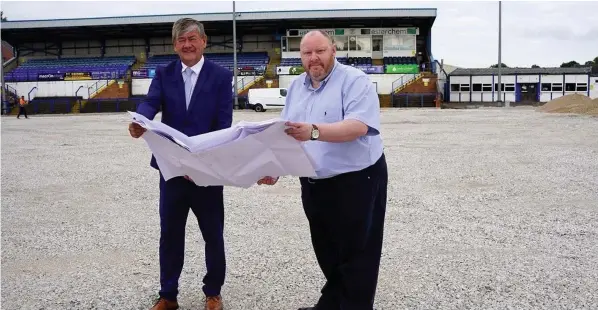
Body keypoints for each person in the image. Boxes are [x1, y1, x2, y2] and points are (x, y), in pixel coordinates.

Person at [258, 30, 388, 310]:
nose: (314, 58)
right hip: (314, 182)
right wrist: (275, 168)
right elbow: (286, 133)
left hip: (357, 180)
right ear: (301, 56)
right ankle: (332, 304)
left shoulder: (355, 81)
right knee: (327, 251)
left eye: (320, 51)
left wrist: (314, 131)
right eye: (307, 53)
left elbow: (359, 126)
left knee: (358, 254)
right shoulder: (296, 87)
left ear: (333, 51)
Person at [128, 17, 233, 310]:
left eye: (192, 39)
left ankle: (213, 292)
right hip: (171, 170)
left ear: (203, 41)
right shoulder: (164, 74)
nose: (187, 45)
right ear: (175, 45)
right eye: (181, 40)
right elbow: (151, 102)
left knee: (213, 234)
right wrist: (142, 120)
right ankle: (168, 295)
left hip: (207, 171)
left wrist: (199, 162)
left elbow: (224, 124)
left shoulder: (221, 77)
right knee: (170, 234)